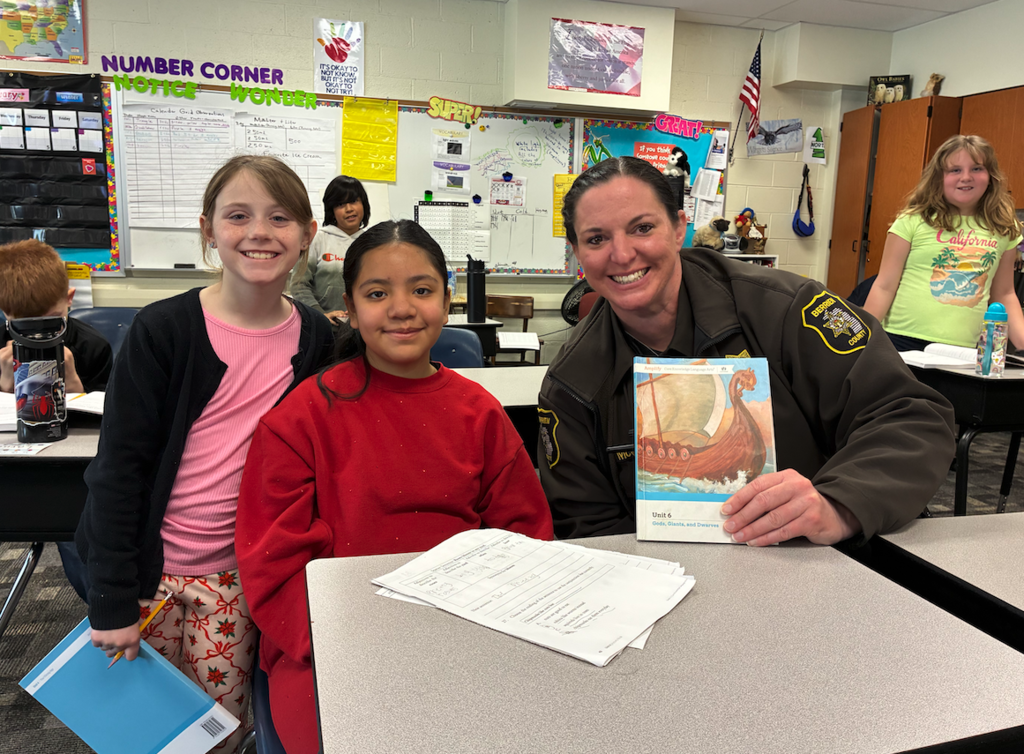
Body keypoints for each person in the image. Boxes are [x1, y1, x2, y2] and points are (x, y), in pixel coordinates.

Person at [236, 219, 553, 754]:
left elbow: (524, 535)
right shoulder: (301, 419)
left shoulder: (480, 413)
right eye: (378, 293)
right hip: (336, 647)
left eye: (422, 290)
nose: (402, 308)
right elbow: (274, 561)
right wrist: (353, 645)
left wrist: (491, 630)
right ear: (352, 309)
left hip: (469, 637)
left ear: (448, 301)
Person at [539, 156, 955, 546]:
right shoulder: (572, 384)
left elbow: (912, 417)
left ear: (680, 227)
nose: (622, 253)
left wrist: (839, 505)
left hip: (814, 561)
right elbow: (588, 528)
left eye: (642, 228)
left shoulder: (789, 310)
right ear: (577, 253)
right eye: (596, 239)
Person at [75, 155, 335, 752]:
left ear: (306, 234)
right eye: (237, 215)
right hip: (147, 575)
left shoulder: (315, 337)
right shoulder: (164, 329)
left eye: (280, 217)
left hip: (237, 578)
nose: (259, 232)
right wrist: (112, 596)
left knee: (216, 733)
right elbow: (118, 471)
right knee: (135, 733)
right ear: (208, 230)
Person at [864, 135, 1024, 352]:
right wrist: (861, 340)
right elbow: (884, 286)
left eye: (977, 169)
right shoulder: (913, 220)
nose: (966, 177)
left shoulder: (1004, 227)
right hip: (899, 340)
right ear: (938, 177)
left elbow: (1004, 293)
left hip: (962, 350)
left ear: (990, 176)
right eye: (955, 170)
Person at [0, 239, 112, 394]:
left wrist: (73, 383)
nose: (38, 335)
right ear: (4, 311)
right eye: (23, 327)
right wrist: (4, 388)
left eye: (52, 321)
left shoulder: (94, 347)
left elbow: (106, 410)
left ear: (69, 298)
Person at [288, 174, 370, 327]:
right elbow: (299, 284)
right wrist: (320, 315)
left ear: (363, 204)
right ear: (332, 210)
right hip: (324, 326)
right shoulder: (318, 239)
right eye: (340, 204)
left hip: (363, 326)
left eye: (353, 201)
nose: (349, 209)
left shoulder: (372, 243)